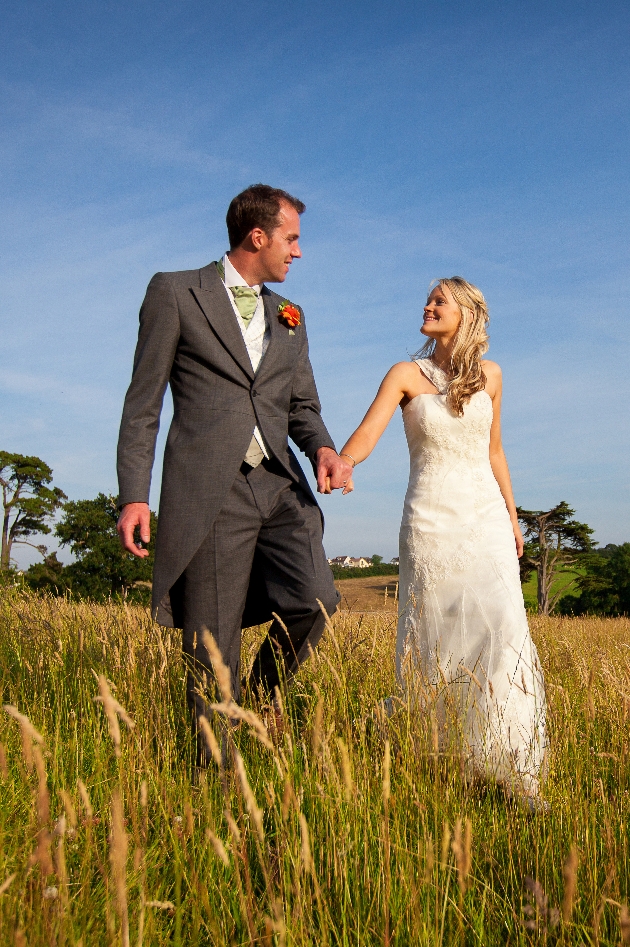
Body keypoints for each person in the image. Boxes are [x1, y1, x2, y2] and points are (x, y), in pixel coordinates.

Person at [116, 184, 352, 763]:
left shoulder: (289, 317)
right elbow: (143, 403)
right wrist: (133, 496)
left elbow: (302, 406)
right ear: (258, 236)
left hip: (279, 482)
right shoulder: (176, 292)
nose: (297, 252)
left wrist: (321, 448)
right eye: (291, 239)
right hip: (212, 490)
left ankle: (260, 701)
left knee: (316, 599)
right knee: (212, 640)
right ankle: (213, 779)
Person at [339, 277, 547, 805]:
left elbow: (495, 450)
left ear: (468, 313)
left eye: (440, 301)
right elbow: (368, 433)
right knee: (435, 638)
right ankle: (438, 755)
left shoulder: (493, 376)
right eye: (428, 299)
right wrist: (343, 460)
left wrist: (512, 515)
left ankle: (510, 770)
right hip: (430, 521)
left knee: (502, 632)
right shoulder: (405, 374)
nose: (428, 306)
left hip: (486, 521)